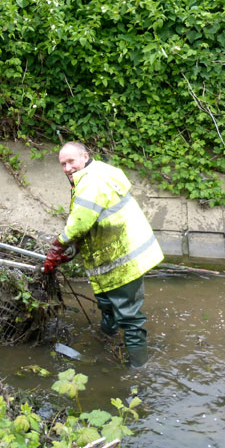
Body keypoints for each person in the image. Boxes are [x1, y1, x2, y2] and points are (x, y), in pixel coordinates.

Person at [43, 142, 164, 368]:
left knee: (129, 316)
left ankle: (139, 368)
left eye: (71, 162)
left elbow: (79, 223)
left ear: (85, 157)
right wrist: (73, 250)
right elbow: (95, 219)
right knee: (107, 302)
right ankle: (105, 338)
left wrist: (55, 250)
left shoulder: (90, 182)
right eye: (63, 164)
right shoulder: (99, 171)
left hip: (126, 258)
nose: (67, 168)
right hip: (118, 252)